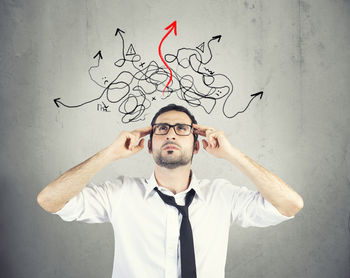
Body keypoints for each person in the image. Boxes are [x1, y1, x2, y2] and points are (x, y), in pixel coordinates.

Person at [37, 104, 303, 278]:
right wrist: (109, 154)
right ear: (149, 145)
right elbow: (49, 200)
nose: (171, 134)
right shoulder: (120, 194)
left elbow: (290, 204)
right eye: (162, 129)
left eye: (182, 129)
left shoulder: (223, 196)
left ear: (197, 146)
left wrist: (233, 155)